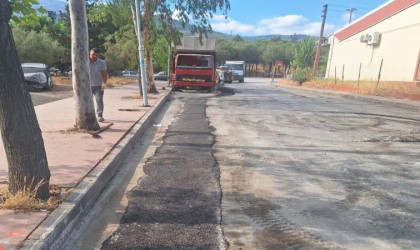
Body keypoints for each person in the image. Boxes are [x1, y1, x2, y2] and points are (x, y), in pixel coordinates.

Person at [89, 48, 107, 122]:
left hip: (98, 86)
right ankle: (89, 116)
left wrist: (103, 85)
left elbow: (104, 75)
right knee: (88, 102)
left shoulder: (102, 62)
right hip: (87, 86)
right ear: (89, 53)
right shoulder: (84, 61)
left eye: (97, 55)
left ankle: (100, 115)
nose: (95, 56)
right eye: (93, 54)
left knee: (99, 100)